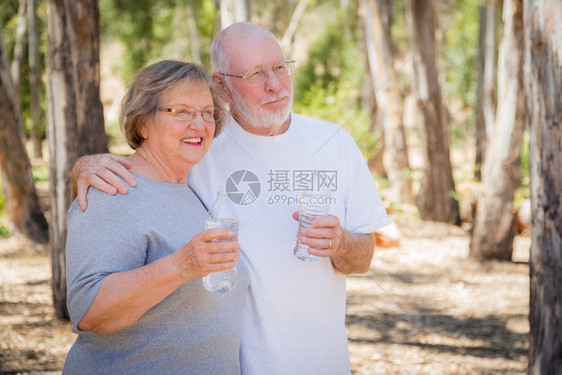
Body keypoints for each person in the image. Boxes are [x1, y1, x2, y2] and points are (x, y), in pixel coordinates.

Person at [72, 23, 391, 374]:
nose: (276, 84)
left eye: (280, 67)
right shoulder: (199, 149)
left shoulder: (335, 142)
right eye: (256, 74)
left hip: (324, 362)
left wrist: (342, 243)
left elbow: (363, 258)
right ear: (221, 84)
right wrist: (84, 166)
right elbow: (144, 168)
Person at [63, 60, 249, 374]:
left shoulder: (191, 186)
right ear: (143, 123)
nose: (199, 124)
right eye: (181, 112)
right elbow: (89, 312)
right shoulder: (112, 189)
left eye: (207, 112)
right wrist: (180, 266)